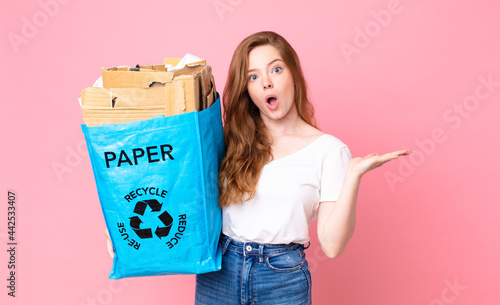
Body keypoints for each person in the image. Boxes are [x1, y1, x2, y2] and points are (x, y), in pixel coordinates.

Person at [105, 31, 412, 304]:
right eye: (253, 77)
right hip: (220, 272)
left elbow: (332, 246)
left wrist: (353, 176)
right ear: (248, 90)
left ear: (293, 75)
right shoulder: (231, 141)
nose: (266, 81)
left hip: (281, 279)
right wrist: (122, 229)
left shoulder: (330, 151)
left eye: (275, 69)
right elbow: (177, 187)